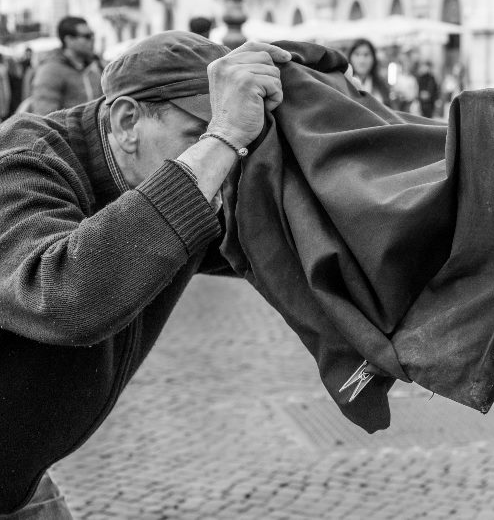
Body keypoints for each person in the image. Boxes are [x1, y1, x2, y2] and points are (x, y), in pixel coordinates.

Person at [0, 31, 290, 517]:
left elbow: (277, 245)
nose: (222, 164)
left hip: (21, 480)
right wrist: (222, 139)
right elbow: (67, 294)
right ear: (127, 121)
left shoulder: (170, 173)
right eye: (199, 134)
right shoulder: (21, 164)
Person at [30, 16, 102, 116]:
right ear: (69, 40)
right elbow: (44, 117)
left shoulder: (94, 67)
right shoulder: (51, 71)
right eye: (87, 36)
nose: (93, 40)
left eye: (93, 35)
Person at [346, 38, 390, 105]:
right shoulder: (344, 83)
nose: (362, 60)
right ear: (350, 57)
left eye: (366, 55)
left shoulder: (382, 85)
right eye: (357, 54)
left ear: (374, 58)